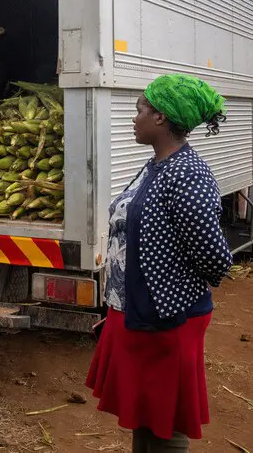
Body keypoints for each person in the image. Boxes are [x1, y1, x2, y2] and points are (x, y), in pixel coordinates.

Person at [86, 74, 233, 452]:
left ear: (161, 118)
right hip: (139, 312)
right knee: (146, 416)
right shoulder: (156, 166)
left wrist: (166, 291)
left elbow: (214, 258)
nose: (133, 117)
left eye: (140, 110)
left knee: (165, 422)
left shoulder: (187, 174)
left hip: (167, 320)